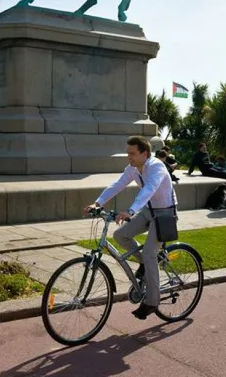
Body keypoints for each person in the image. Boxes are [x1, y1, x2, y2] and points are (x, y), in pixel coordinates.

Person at [84, 135, 177, 320]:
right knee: (120, 235)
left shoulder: (156, 166)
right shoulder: (132, 169)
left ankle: (152, 301)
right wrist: (98, 203)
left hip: (165, 213)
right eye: (128, 153)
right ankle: (144, 263)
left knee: (151, 252)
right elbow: (117, 185)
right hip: (148, 210)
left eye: (132, 153)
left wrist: (130, 210)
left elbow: (149, 189)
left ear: (145, 153)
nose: (129, 157)